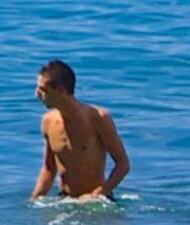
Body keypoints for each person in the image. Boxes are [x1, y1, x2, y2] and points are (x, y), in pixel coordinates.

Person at [27, 60, 128, 202]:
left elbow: (123, 164)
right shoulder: (48, 121)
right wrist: (34, 199)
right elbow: (49, 168)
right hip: (65, 200)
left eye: (43, 90)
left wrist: (98, 194)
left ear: (61, 91)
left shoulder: (98, 118)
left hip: (97, 202)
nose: (36, 94)